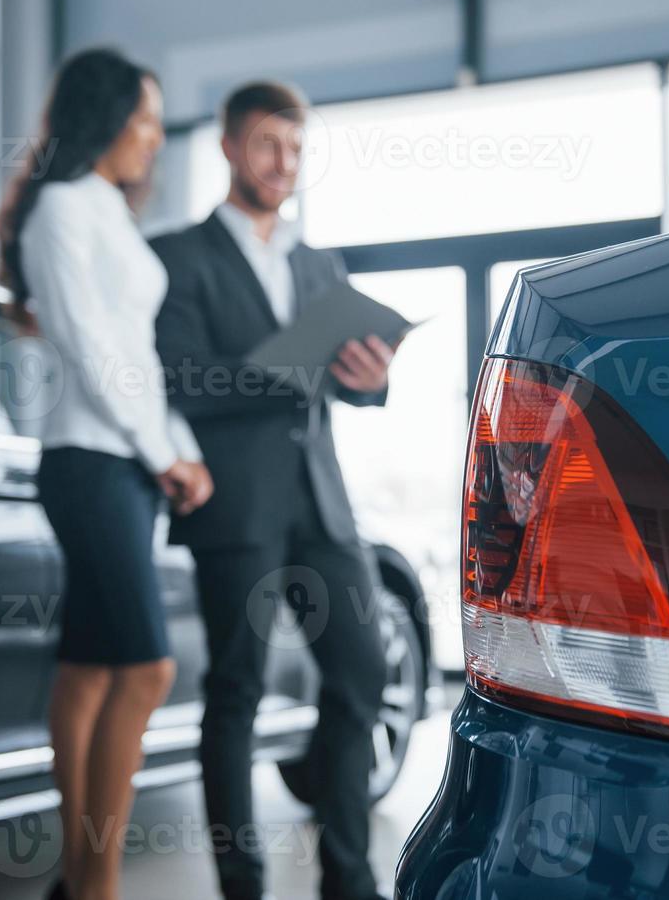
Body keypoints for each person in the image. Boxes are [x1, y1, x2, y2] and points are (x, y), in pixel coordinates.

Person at [150, 81, 395, 900]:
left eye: (295, 149)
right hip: (237, 507)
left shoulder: (318, 263)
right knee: (236, 696)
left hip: (322, 505)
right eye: (266, 145)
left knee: (360, 676)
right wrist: (296, 367)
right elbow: (182, 377)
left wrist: (371, 379)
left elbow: (343, 382)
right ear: (227, 145)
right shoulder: (180, 256)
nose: (282, 163)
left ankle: (349, 880)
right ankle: (241, 883)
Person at [0, 48, 214, 900]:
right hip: (89, 460)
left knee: (91, 669)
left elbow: (140, 354)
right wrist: (163, 453)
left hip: (126, 461)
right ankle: (99, 886)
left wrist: (176, 446)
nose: (156, 137)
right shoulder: (61, 210)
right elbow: (89, 348)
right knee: (148, 669)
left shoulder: (108, 213)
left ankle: (77, 880)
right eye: (147, 117)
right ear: (106, 116)